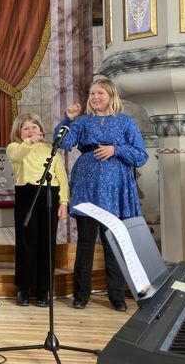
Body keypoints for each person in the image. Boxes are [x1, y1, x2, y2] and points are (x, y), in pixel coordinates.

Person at [55, 78, 148, 312]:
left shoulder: (126, 122)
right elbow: (62, 143)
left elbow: (141, 156)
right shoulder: (83, 121)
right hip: (87, 186)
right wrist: (67, 119)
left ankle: (116, 295)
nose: (95, 97)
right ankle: (81, 294)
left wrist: (116, 149)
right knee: (85, 243)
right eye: (92, 93)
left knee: (113, 244)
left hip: (115, 189)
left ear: (111, 96)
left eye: (100, 93)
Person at [6, 113, 70, 307]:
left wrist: (64, 202)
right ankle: (23, 288)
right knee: (26, 243)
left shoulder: (52, 149)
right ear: (19, 132)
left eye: (35, 127)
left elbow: (62, 177)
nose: (32, 131)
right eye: (26, 128)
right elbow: (17, 156)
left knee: (47, 244)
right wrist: (28, 143)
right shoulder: (15, 147)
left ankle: (44, 290)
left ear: (41, 130)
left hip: (49, 196)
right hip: (26, 195)